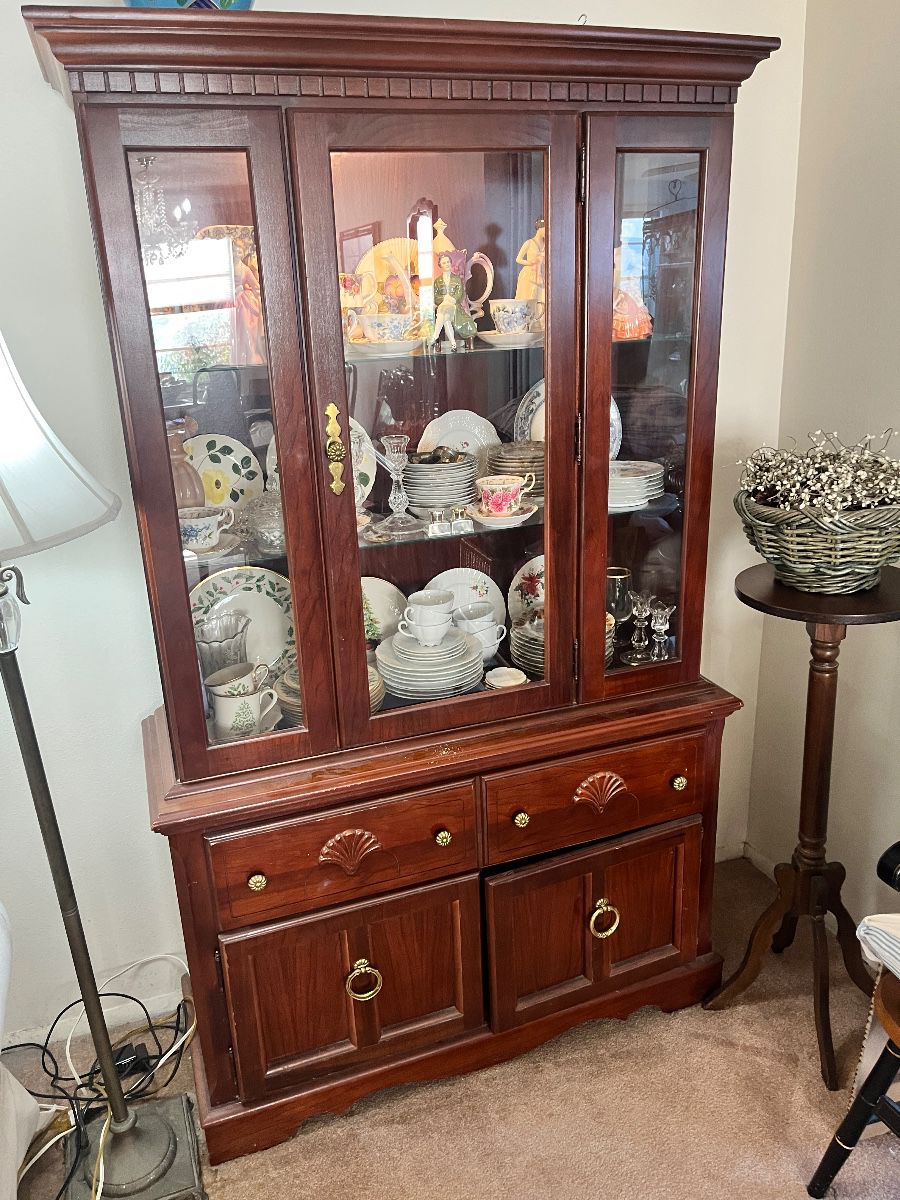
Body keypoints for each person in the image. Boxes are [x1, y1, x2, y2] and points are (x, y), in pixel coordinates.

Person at [430, 251, 476, 350]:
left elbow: (460, 293)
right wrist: (443, 299)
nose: (447, 264)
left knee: (443, 313)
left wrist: (451, 299)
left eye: (448, 262)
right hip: (444, 307)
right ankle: (453, 344)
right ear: (440, 265)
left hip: (455, 307)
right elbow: (435, 296)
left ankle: (435, 336)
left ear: (451, 263)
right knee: (445, 317)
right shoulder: (437, 281)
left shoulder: (457, 279)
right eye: (444, 263)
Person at [515, 218, 546, 305]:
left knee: (541, 297)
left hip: (541, 273)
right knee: (529, 297)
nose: (546, 231)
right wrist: (530, 262)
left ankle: (541, 317)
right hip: (529, 274)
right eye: (545, 229)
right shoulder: (529, 243)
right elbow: (518, 259)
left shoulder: (546, 244)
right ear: (540, 229)